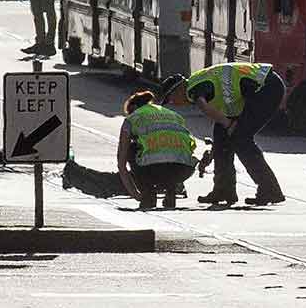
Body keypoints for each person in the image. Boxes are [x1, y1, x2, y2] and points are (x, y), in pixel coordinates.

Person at [162, 63, 286, 207]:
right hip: (253, 91)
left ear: (178, 89)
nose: (173, 104)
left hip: (266, 88)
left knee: (241, 139)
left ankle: (270, 190)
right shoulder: (197, 83)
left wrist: (229, 124)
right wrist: (213, 152)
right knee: (221, 136)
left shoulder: (194, 89)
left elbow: (203, 105)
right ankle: (224, 190)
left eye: (171, 99)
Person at [117, 89, 197, 210]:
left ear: (133, 107)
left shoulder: (133, 118)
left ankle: (148, 193)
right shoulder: (174, 115)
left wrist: (137, 195)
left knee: (132, 149)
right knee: (171, 151)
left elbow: (121, 163)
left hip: (153, 170)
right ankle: (171, 192)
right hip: (184, 169)